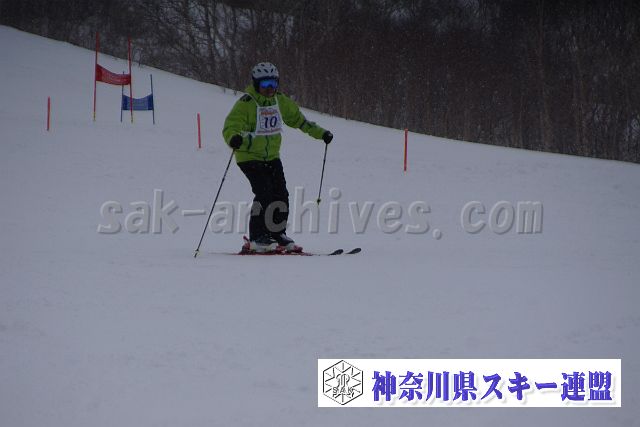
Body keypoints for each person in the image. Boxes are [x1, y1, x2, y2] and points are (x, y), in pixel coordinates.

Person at [222, 62, 333, 253]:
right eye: (265, 84)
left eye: (273, 84)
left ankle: (276, 233)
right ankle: (257, 237)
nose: (269, 89)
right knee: (264, 193)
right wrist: (233, 138)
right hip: (248, 157)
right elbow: (230, 126)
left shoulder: (279, 101)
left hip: (272, 157)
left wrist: (321, 133)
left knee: (281, 194)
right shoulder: (246, 103)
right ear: (256, 84)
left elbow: (299, 121)